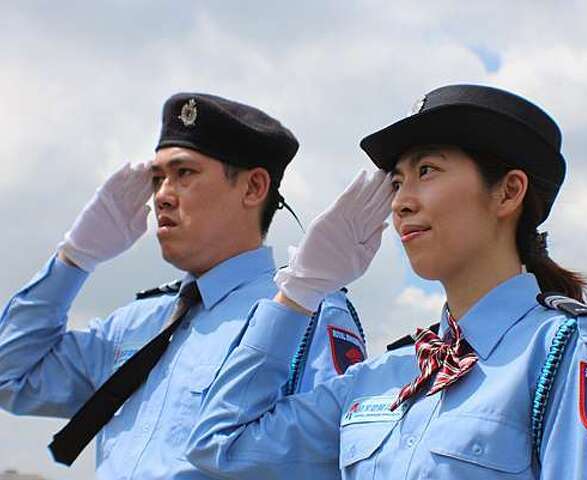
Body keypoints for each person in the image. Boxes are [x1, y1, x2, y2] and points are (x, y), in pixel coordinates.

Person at [185, 84, 587, 479]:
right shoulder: (388, 376)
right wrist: (300, 290)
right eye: (397, 182)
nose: (400, 203)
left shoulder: (564, 353)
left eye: (427, 171)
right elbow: (221, 446)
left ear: (508, 192)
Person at [0, 93, 366, 479]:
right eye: (157, 179)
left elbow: (335, 452)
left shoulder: (304, 313)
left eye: (184, 174)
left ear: (253, 187)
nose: (161, 195)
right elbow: (11, 374)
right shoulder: (136, 323)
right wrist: (75, 257)